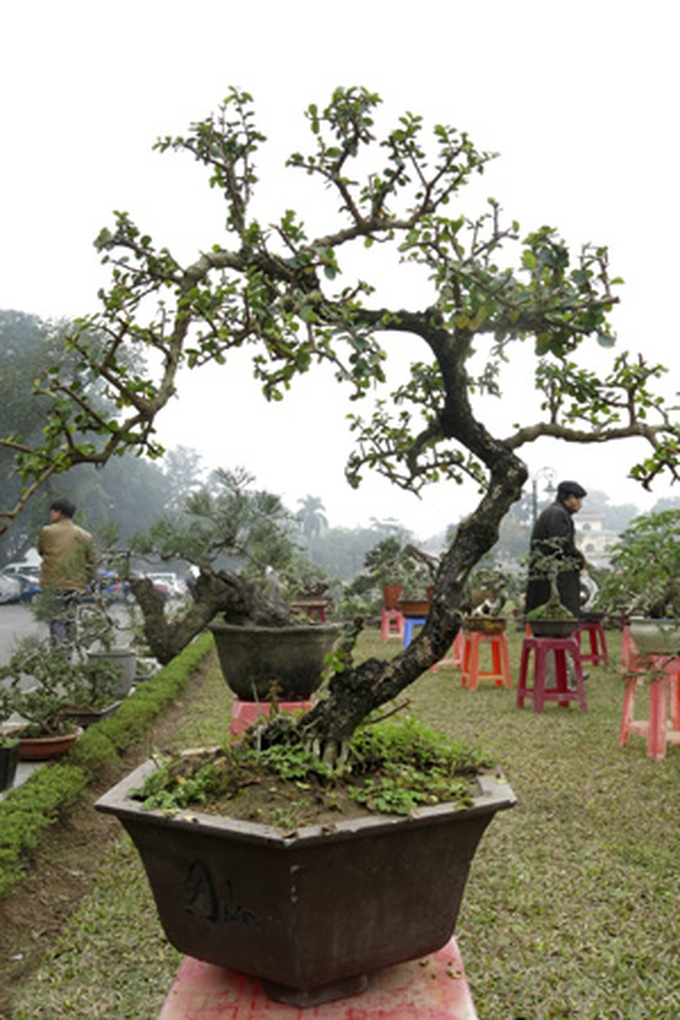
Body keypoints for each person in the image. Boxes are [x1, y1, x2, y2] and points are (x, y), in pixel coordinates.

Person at [38, 498, 98, 646]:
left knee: (56, 619)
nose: (51, 515)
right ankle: (69, 653)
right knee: (70, 619)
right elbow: (93, 561)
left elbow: (41, 551)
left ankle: (58, 654)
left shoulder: (47, 531)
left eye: (52, 511)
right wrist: (91, 582)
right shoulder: (85, 536)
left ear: (59, 513)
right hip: (75, 585)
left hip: (53, 584)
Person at [525, 480, 587, 618]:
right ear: (569, 498)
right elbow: (562, 545)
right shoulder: (557, 514)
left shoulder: (555, 512)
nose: (580, 503)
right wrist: (579, 558)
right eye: (578, 499)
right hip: (555, 576)